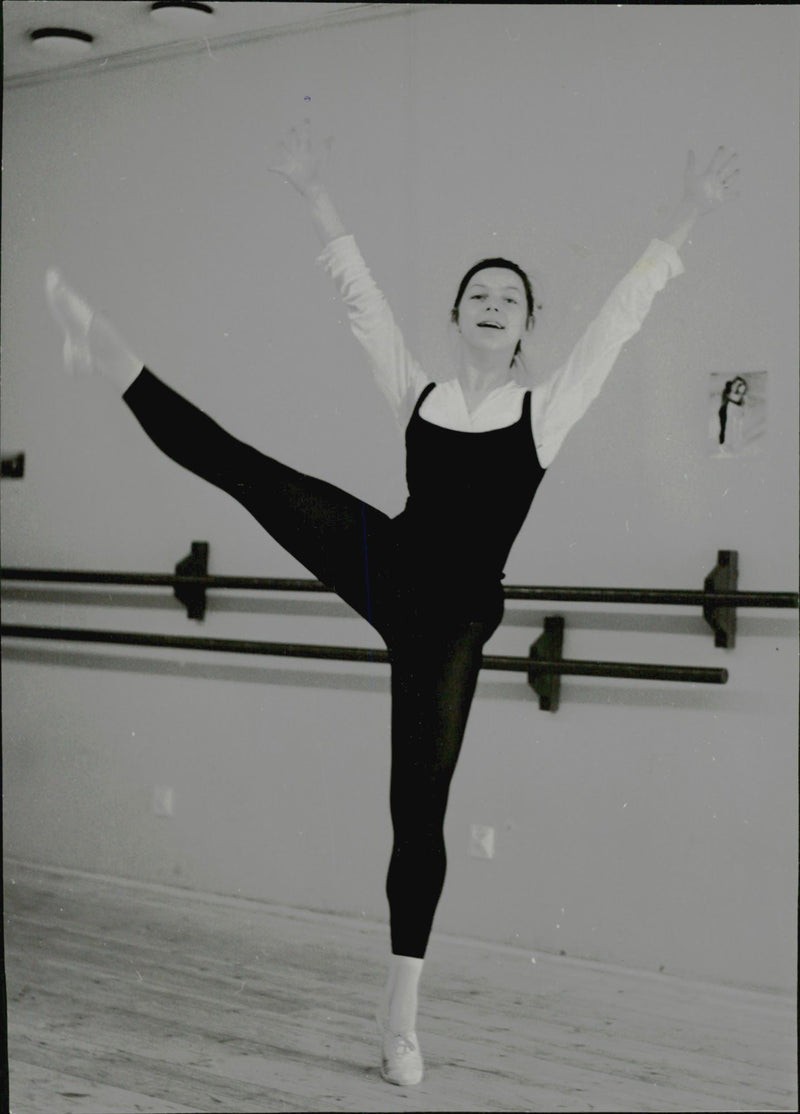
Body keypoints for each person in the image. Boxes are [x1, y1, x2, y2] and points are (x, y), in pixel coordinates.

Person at [44, 126, 739, 1087]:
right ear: (456, 316)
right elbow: (359, 300)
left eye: (509, 299)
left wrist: (689, 216)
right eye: (477, 295)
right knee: (251, 474)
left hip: (453, 618)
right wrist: (316, 193)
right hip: (391, 562)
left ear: (526, 324)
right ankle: (109, 354)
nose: (492, 306)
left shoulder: (548, 406)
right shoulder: (418, 392)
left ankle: (400, 1014)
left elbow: (621, 316)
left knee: (418, 811)